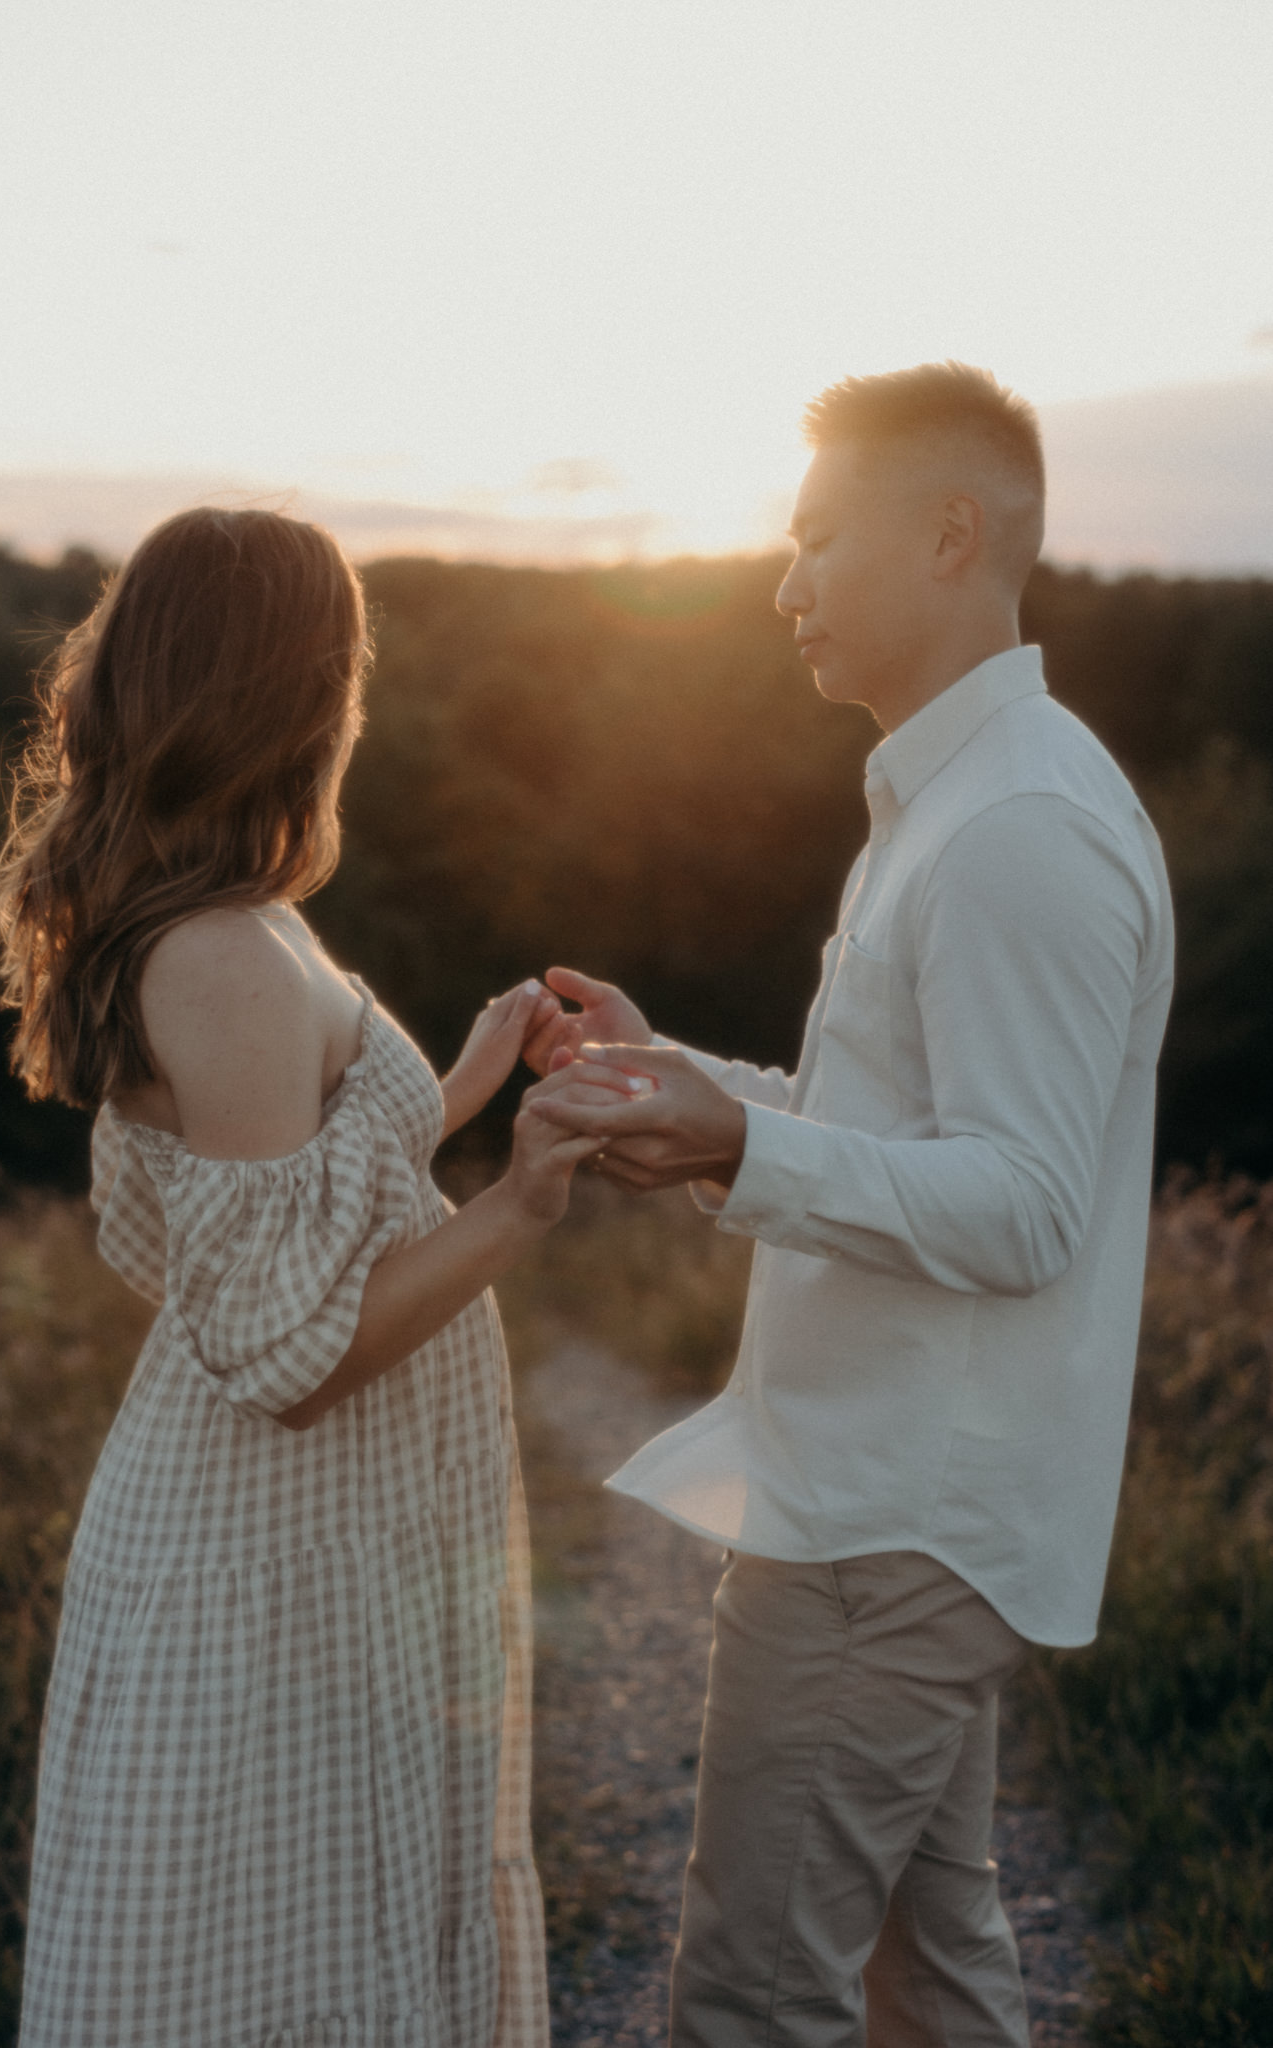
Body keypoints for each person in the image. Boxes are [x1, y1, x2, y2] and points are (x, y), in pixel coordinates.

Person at [526, 363, 1175, 2047]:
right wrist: (691, 1084)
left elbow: (1026, 1206)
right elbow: (898, 1134)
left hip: (894, 1523)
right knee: (926, 1963)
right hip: (892, 1497)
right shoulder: (948, 802)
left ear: (952, 536)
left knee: (754, 1995)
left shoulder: (1018, 824)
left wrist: (740, 1154)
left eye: (816, 537)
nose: (782, 580)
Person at [0, 506, 614, 2048]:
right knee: (265, 1974)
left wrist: (454, 1092)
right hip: (268, 1556)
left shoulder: (236, 928)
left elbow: (283, 1208)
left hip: (315, 1545)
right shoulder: (219, 956)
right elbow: (284, 1350)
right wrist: (519, 1205)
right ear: (296, 694)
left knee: (324, 1942)